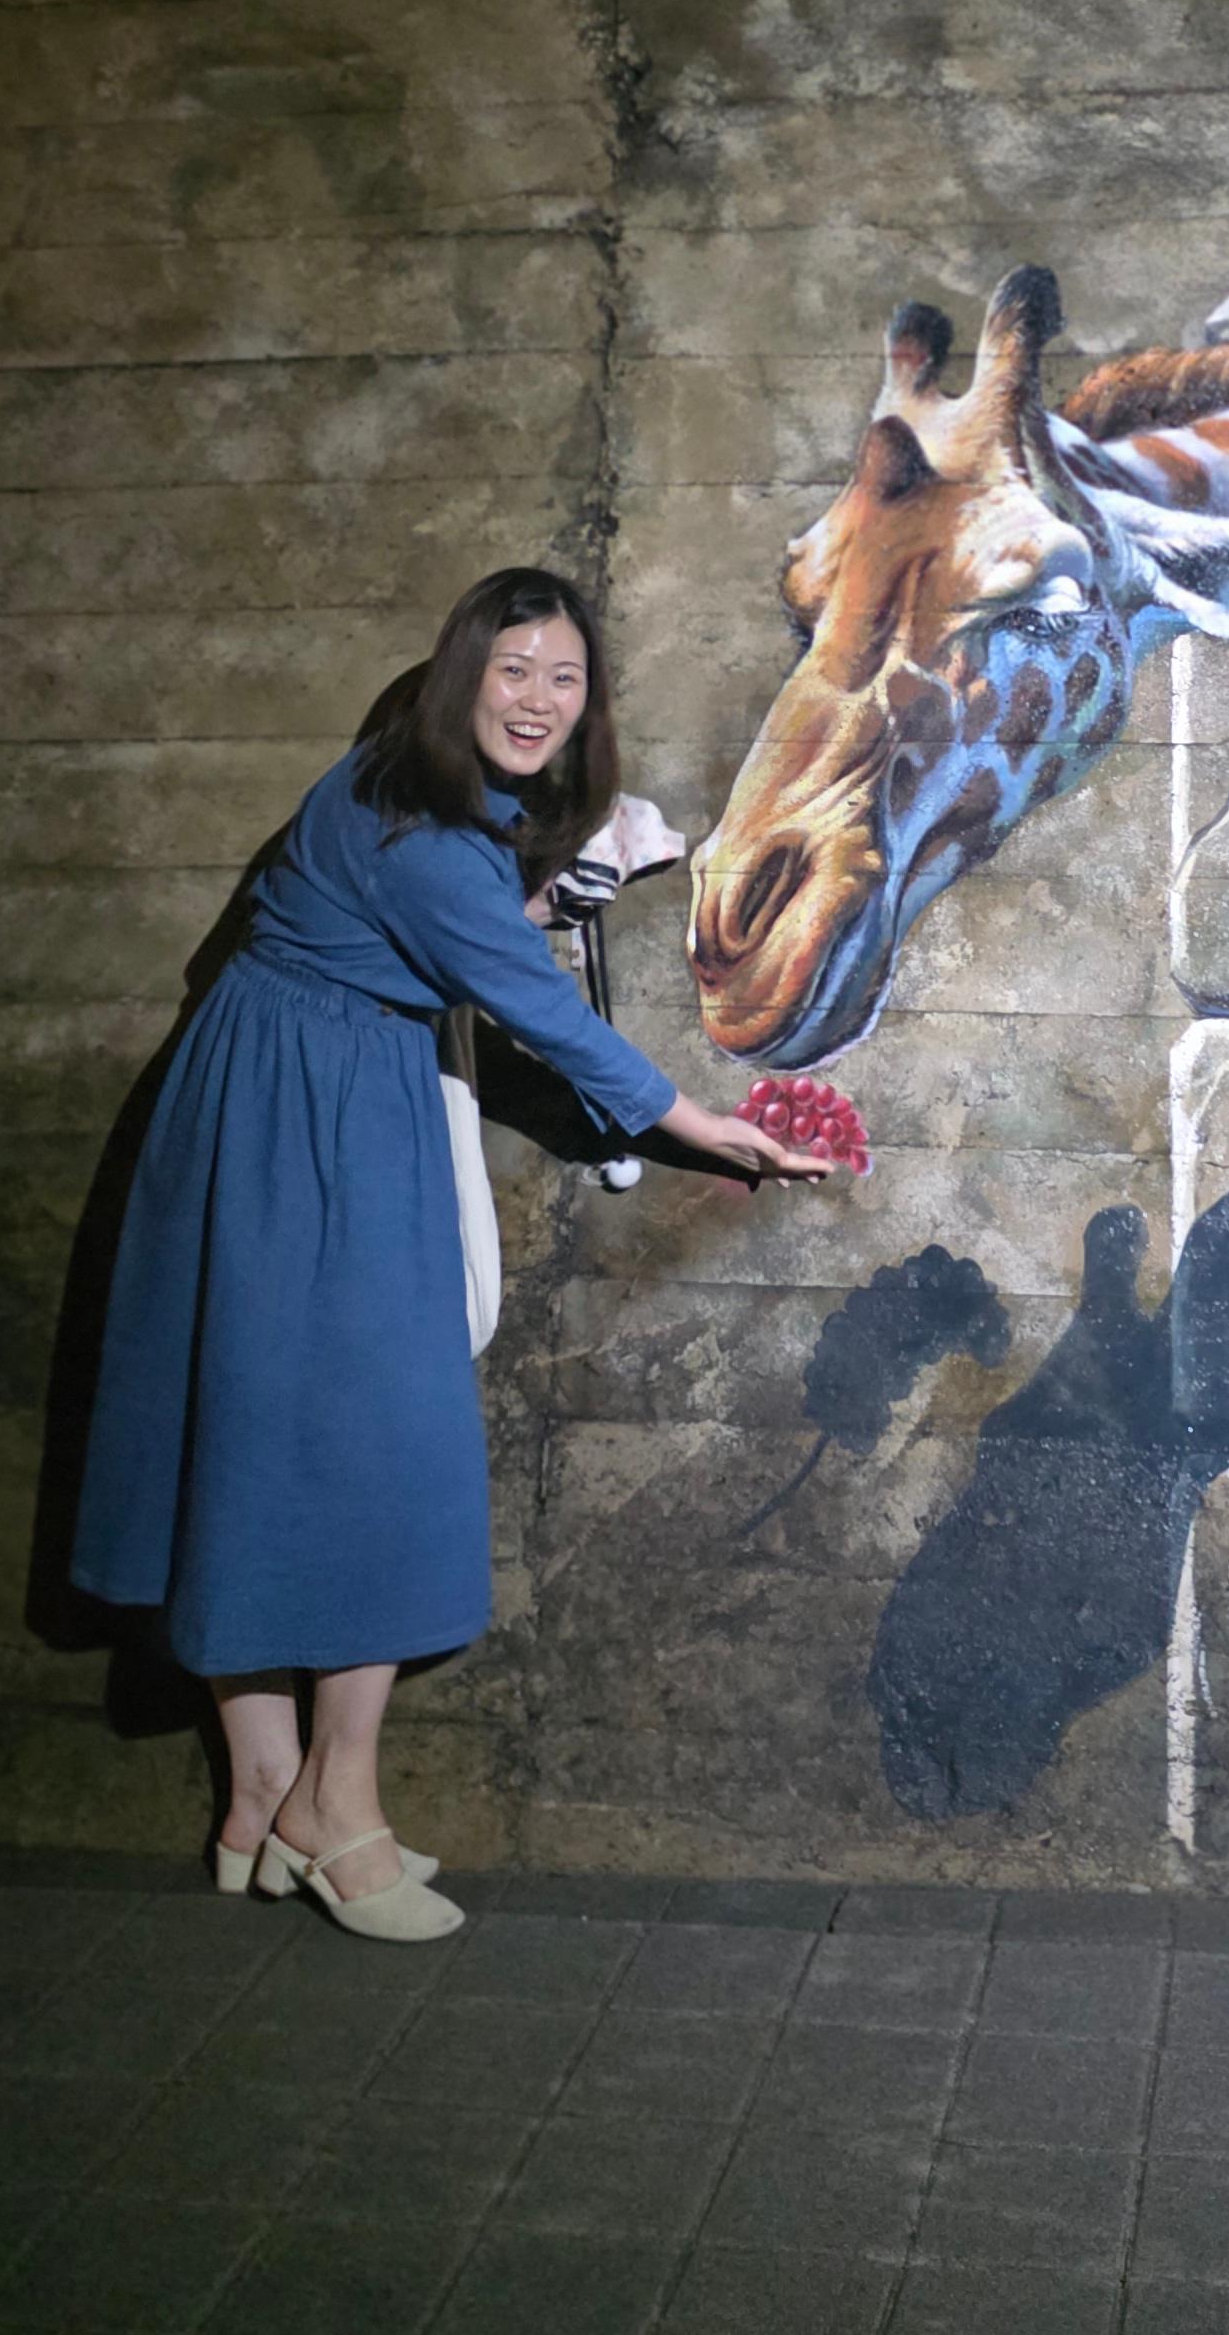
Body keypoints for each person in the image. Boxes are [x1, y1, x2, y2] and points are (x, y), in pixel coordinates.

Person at [73, 566, 833, 1941]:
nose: (539, 701)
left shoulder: (394, 783)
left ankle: (261, 1802)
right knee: (380, 1447)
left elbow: (445, 934)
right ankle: (332, 1806)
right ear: (459, 677)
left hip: (269, 1096)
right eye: (512, 671)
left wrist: (545, 885)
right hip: (320, 1117)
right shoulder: (425, 840)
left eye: (565, 678)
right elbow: (543, 1013)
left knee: (252, 1429)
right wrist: (705, 1128)